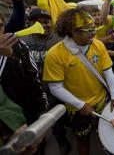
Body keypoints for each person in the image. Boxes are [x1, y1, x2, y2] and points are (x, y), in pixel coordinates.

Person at [43, 7, 114, 155]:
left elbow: (108, 71)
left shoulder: (98, 45)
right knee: (83, 140)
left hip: (103, 101)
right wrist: (80, 104)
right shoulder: (54, 54)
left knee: (110, 130)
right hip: (78, 109)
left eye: (93, 27)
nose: (93, 33)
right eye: (88, 29)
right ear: (72, 31)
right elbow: (55, 87)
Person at [19, 8, 71, 154]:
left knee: (55, 117)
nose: (44, 25)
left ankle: (60, 139)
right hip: (33, 89)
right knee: (35, 120)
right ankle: (39, 143)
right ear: (30, 23)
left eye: (46, 22)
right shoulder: (23, 41)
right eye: (38, 22)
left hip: (55, 87)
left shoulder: (58, 39)